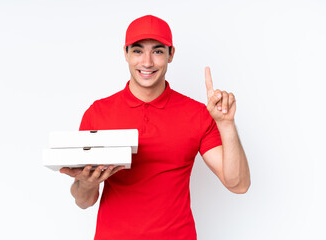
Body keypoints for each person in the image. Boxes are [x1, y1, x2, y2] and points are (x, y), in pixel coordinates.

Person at [60, 15, 250, 240]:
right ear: (126, 54)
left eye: (158, 51)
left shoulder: (197, 114)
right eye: (138, 51)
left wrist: (226, 124)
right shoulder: (98, 113)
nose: (147, 62)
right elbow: (84, 201)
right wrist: (86, 183)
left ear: (171, 54)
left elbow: (238, 185)